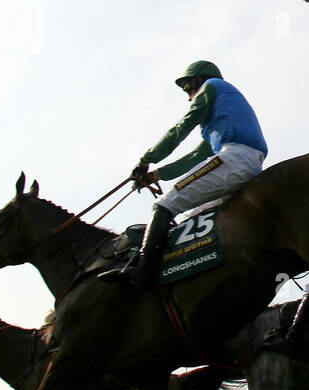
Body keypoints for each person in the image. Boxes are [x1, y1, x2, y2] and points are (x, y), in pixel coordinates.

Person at [101, 60, 269, 287]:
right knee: (190, 220)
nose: (189, 97)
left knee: (164, 205)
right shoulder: (221, 118)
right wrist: (155, 175)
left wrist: (146, 160)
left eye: (189, 89)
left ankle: (142, 271)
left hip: (235, 158)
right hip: (244, 162)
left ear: (199, 80)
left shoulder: (211, 86)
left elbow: (183, 126)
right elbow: (196, 157)